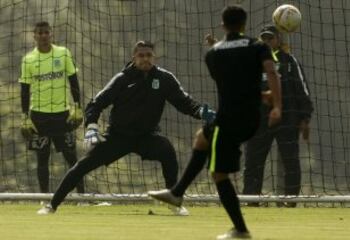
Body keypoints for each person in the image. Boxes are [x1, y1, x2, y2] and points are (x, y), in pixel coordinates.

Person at [37, 40, 216, 215]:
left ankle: (174, 202)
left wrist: (201, 112)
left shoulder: (164, 78)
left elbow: (184, 102)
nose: (145, 59)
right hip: (117, 137)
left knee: (168, 152)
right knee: (81, 167)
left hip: (147, 137)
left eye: (148, 55)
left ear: (154, 58)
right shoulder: (122, 79)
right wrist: (91, 126)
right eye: (141, 56)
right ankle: (51, 206)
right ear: (134, 58)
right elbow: (96, 104)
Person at [148, 5, 282, 239]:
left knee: (219, 174)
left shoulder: (213, 54)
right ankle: (177, 192)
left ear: (223, 25)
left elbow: (232, 84)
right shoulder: (258, 46)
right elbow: (271, 74)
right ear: (244, 24)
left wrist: (214, 46)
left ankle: (240, 230)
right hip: (251, 117)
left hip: (229, 119)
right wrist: (277, 104)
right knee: (201, 138)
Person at [242, 25, 314, 207]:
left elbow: (302, 90)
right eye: (264, 38)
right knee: (253, 163)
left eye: (270, 38)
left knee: (291, 161)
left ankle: (291, 202)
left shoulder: (290, 61)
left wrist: (305, 118)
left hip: (288, 119)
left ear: (278, 39)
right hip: (258, 121)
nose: (267, 41)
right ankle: (252, 202)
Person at [19, 21, 85, 195]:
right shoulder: (28, 60)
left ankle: (82, 197)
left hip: (62, 115)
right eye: (39, 33)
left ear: (51, 34)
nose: (43, 36)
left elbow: (73, 82)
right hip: (38, 117)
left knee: (71, 157)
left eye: (46, 32)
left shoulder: (63, 54)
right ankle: (44, 197)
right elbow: (24, 90)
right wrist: (25, 116)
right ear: (34, 36)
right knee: (42, 159)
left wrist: (78, 107)